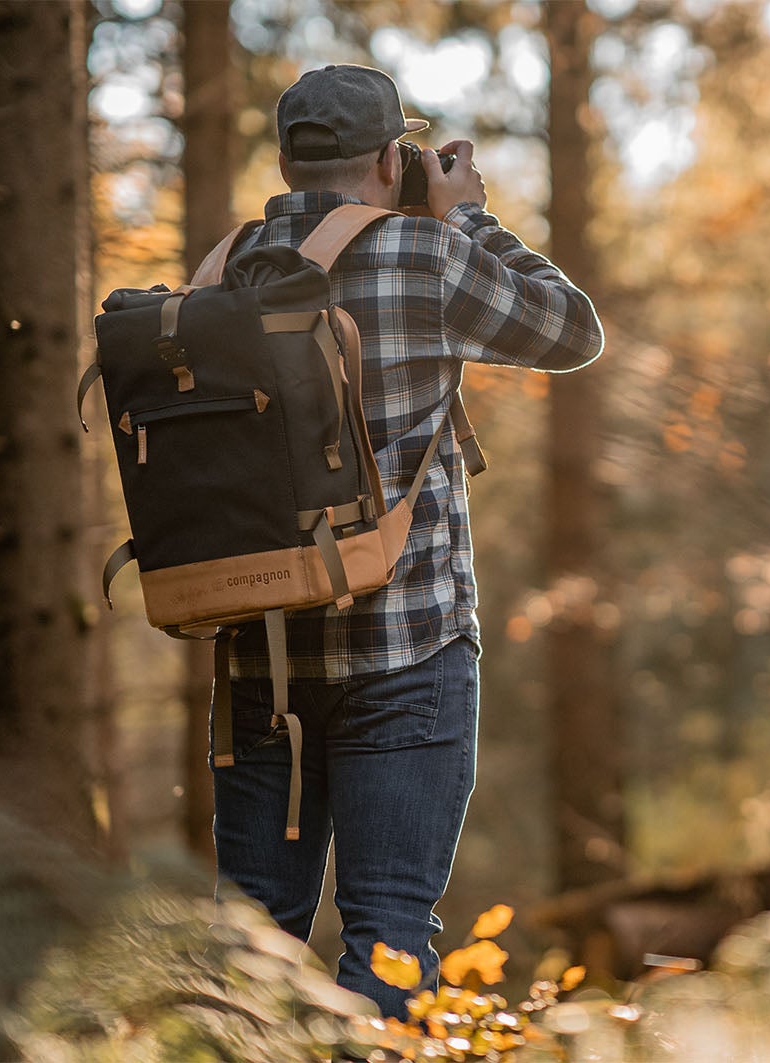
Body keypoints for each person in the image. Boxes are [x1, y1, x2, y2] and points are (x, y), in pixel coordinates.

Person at [211, 63, 603, 1018]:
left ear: (284, 162)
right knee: (387, 924)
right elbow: (573, 330)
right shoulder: (425, 258)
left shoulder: (223, 270)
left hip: (261, 657)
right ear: (393, 159)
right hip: (409, 648)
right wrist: (468, 212)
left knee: (251, 939)